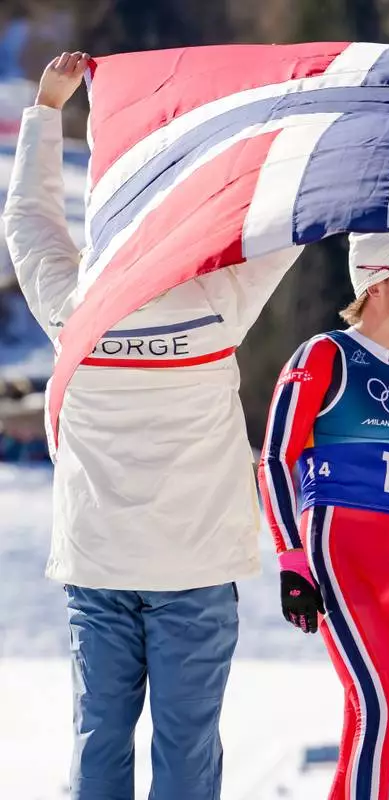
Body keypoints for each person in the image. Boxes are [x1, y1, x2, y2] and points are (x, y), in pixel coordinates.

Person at [4, 52, 298, 799]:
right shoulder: (214, 303)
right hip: (193, 573)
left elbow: (28, 221)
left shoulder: (74, 310)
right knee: (187, 752)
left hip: (98, 570)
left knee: (99, 742)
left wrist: (46, 110)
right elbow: (287, 222)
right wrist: (300, 125)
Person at [257, 231, 389, 800]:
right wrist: (290, 557)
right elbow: (277, 455)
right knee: (377, 703)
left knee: (385, 709)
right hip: (338, 540)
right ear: (377, 281)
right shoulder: (325, 354)